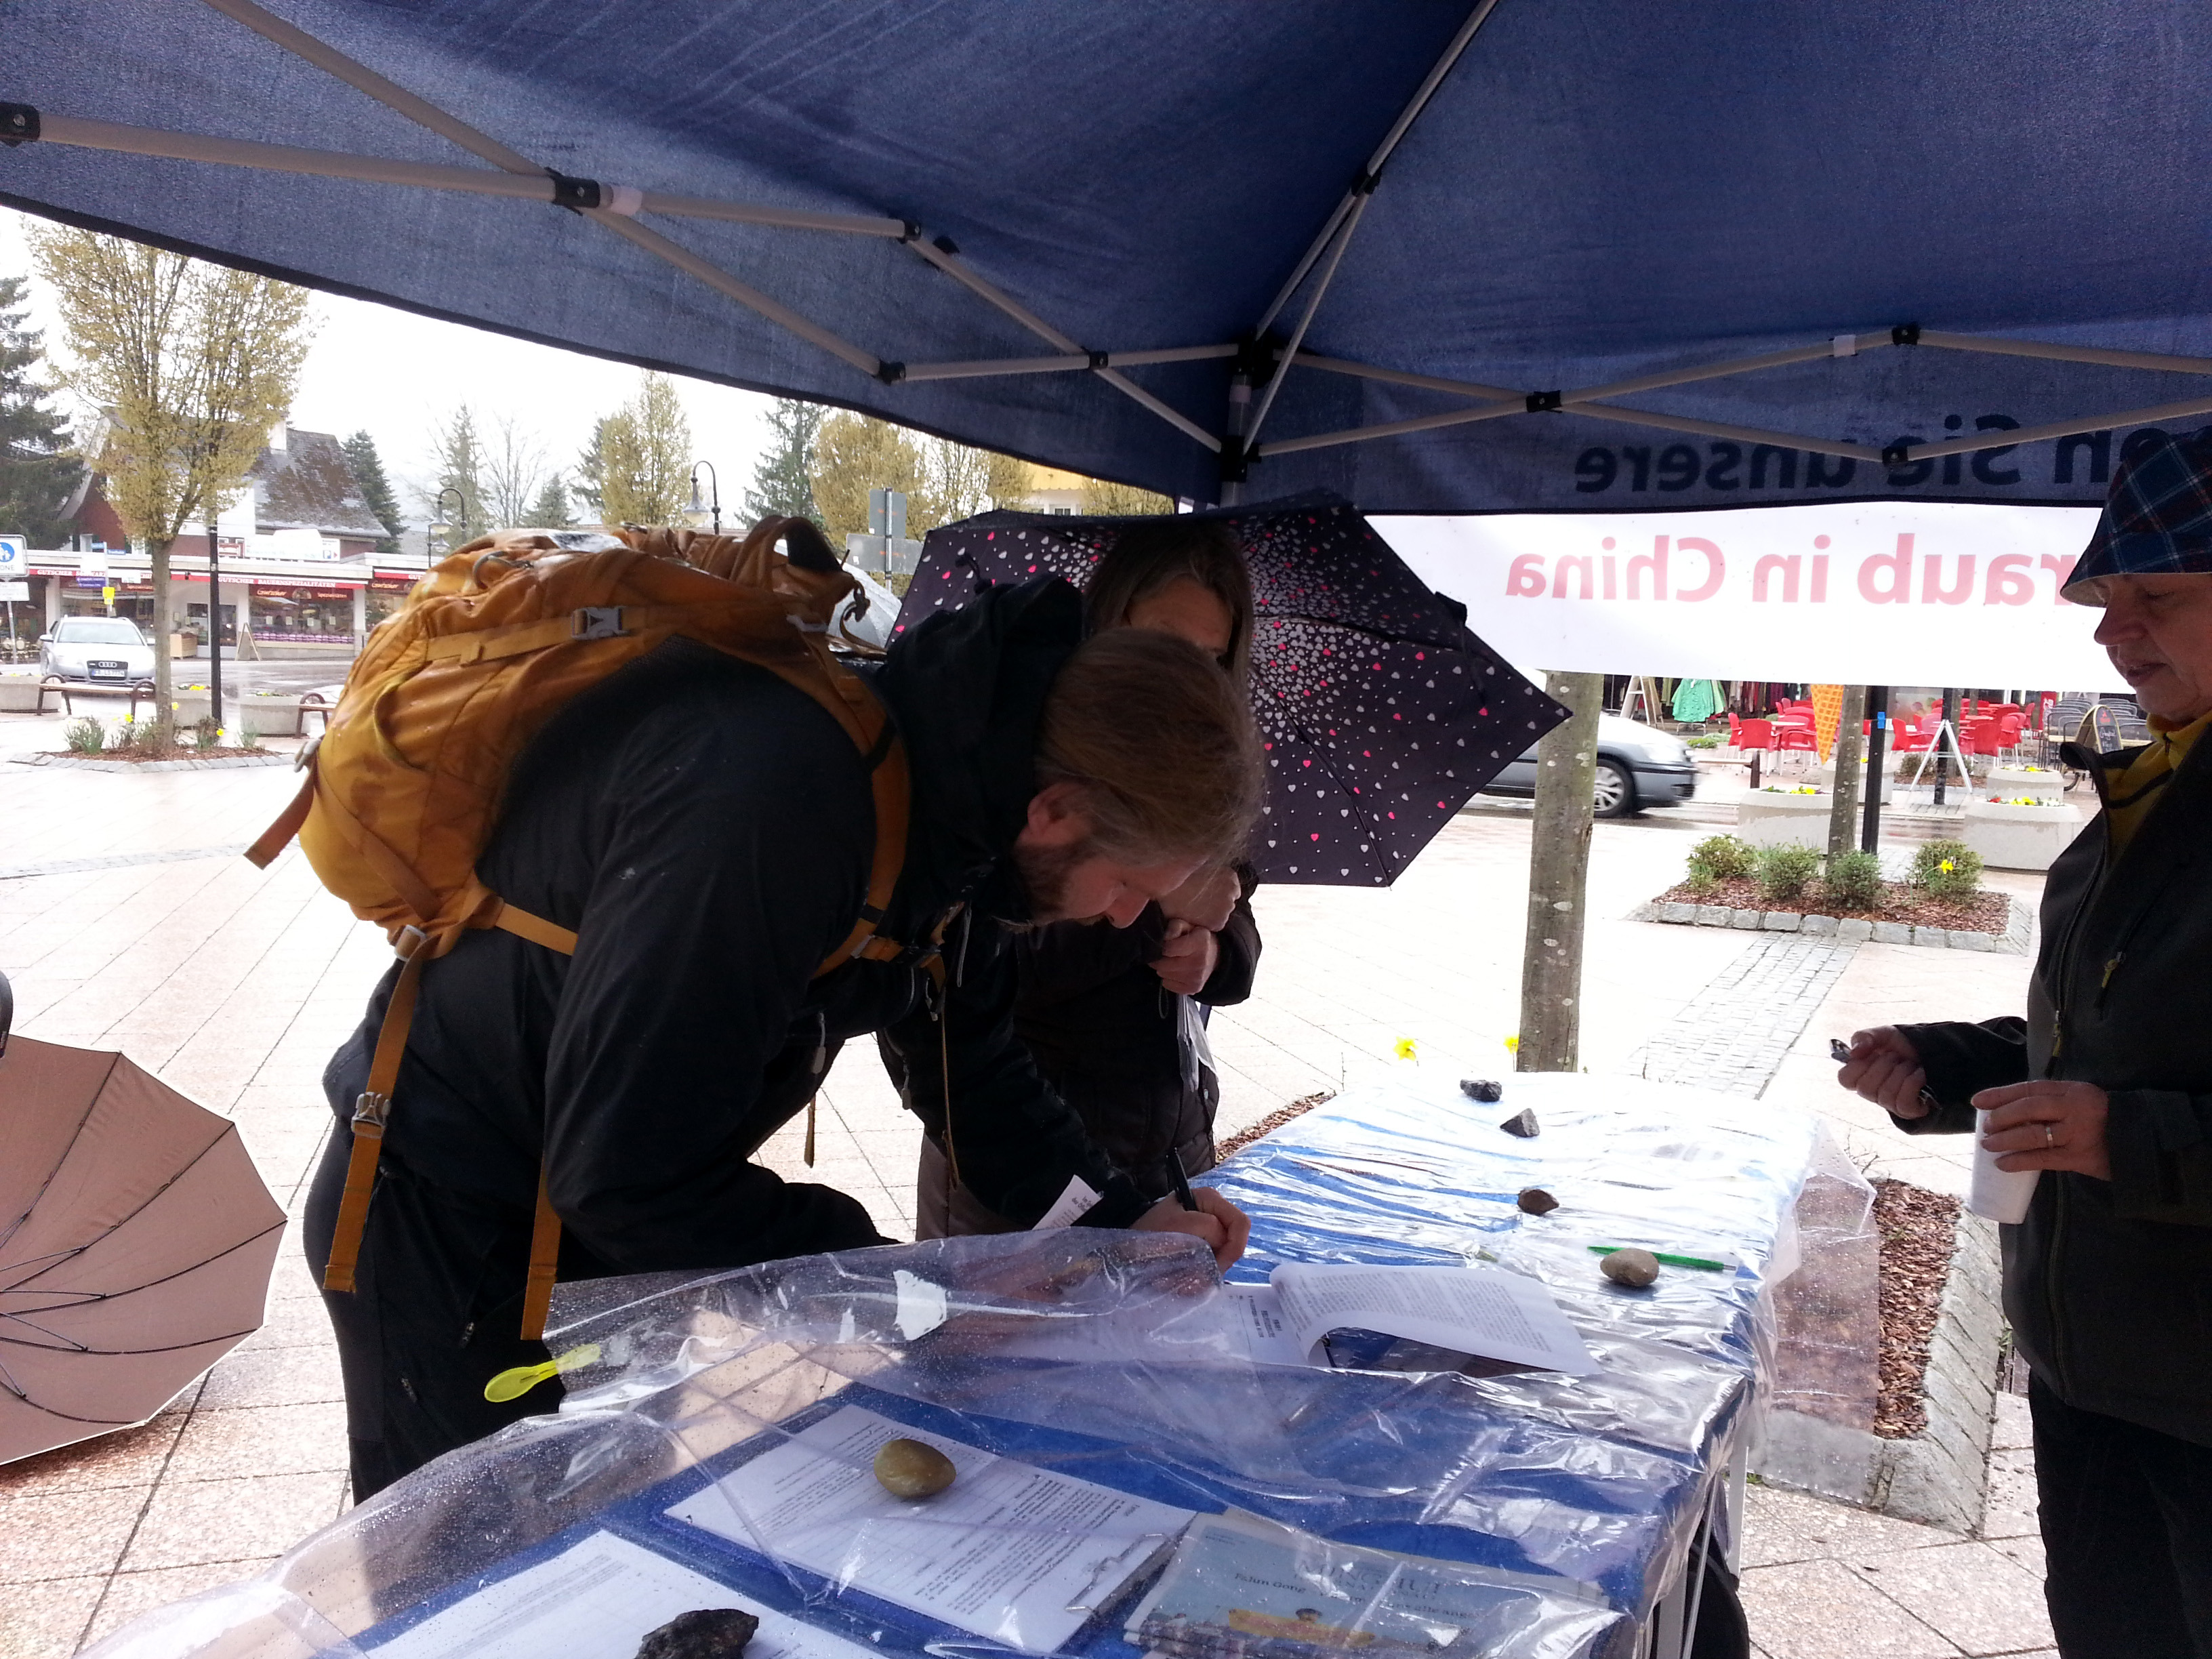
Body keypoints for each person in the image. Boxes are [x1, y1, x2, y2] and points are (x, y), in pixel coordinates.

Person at [306, 571, 1262, 1498]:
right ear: (1057, 814)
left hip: (606, 1229)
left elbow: (969, 1067)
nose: (1120, 917)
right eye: (1127, 886)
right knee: (480, 1569)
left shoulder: (964, 816)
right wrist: (912, 1295)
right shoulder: (775, 803)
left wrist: (1119, 1229)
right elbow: (633, 1175)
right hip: (456, 1225)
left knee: (613, 1521)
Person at [1835, 426, 2212, 1658]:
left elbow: (2134, 1105)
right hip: (2089, 1363)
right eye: (2106, 600)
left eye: (2156, 595)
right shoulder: (2153, 779)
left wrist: (2134, 1139)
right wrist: (1945, 1068)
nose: (2113, 632)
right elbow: (2110, 1036)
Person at [896, 519, 1264, 1233]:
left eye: (1211, 658)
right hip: (1023, 1144)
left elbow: (1233, 903)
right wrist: (1160, 906)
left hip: (1153, 1130)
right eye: (1165, 642)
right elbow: (976, 1021)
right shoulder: (995, 789)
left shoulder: (1204, 766)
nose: (1185, 676)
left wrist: (1218, 950)